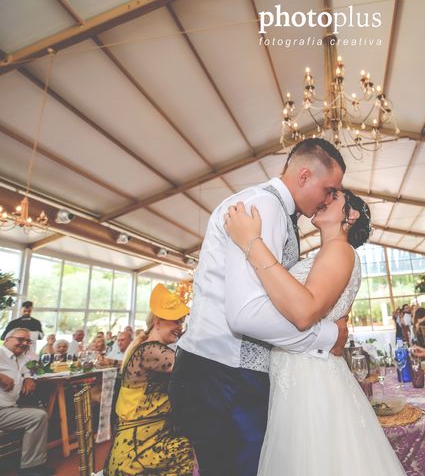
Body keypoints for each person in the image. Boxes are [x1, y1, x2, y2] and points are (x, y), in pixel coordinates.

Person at [169, 138, 350, 476]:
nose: (329, 199)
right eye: (328, 189)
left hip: (224, 373)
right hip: (224, 375)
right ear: (304, 175)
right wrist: (326, 336)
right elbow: (246, 315)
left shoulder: (274, 210)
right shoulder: (262, 207)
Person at [225, 188, 405, 475]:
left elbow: (303, 311)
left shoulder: (340, 249)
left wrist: (251, 242)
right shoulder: (328, 253)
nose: (323, 200)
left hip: (309, 373)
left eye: (334, 198)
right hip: (303, 366)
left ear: (352, 215)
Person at [104, 284, 193, 476]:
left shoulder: (148, 347)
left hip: (150, 438)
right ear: (158, 321)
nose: (180, 328)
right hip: (137, 452)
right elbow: (194, 370)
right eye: (177, 322)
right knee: (197, 450)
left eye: (182, 322)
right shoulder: (151, 351)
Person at [0, 328, 51, 476]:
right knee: (38, 416)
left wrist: (28, 377)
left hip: (9, 409)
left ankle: (31, 466)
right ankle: (31, 469)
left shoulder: (22, 358)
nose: (24, 343)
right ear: (7, 339)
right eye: (20, 339)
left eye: (28, 341)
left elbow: (28, 370)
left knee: (40, 414)